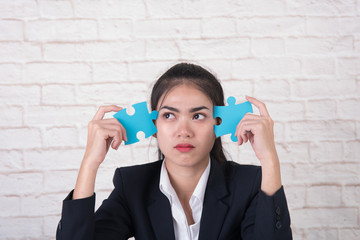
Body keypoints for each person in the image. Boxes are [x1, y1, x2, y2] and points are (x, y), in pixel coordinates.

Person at [56, 63, 292, 240]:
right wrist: (90, 163)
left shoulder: (249, 184)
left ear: (218, 123)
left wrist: (269, 159)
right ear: (154, 126)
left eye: (198, 116)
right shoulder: (133, 186)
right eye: (169, 115)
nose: (183, 131)